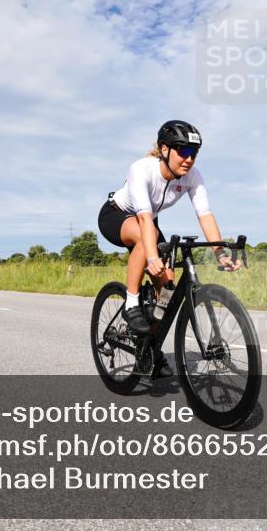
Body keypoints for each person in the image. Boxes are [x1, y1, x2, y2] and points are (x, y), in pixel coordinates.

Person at [98, 120, 241, 373]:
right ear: (164, 150)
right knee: (149, 236)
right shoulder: (142, 169)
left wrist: (220, 253)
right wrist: (152, 257)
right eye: (183, 152)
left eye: (194, 154)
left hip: (148, 223)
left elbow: (205, 215)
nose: (189, 159)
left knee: (168, 287)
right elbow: (143, 218)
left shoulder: (192, 177)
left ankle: (148, 348)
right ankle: (131, 303)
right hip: (116, 216)